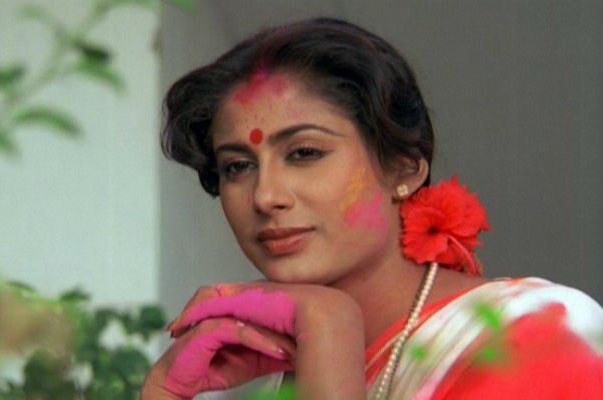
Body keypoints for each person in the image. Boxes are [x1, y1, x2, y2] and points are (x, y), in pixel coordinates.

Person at [142, 18, 603, 399]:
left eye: (305, 153)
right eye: (238, 166)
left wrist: (331, 328)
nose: (265, 196)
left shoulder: (536, 334)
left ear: (403, 169)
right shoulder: (277, 373)